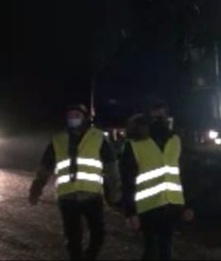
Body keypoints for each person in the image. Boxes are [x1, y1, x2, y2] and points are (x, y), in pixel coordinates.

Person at [29, 104, 121, 261]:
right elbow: (45, 167)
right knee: (73, 238)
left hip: (92, 195)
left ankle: (90, 255)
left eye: (77, 115)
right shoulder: (58, 139)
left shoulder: (98, 137)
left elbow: (111, 167)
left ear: (84, 117)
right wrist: (36, 189)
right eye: (70, 115)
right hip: (67, 197)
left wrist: (114, 192)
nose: (73, 118)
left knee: (98, 234)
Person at [120, 100, 194, 261]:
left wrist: (188, 205)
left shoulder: (175, 140)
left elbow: (184, 175)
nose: (159, 118)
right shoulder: (134, 144)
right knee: (151, 251)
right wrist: (130, 212)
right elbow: (127, 181)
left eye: (162, 114)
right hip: (148, 208)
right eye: (154, 114)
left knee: (166, 251)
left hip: (172, 205)